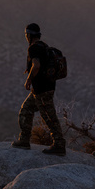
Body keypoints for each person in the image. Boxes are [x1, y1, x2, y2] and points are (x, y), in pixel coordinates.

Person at [11, 23, 66, 156]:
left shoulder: (34, 48)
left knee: (49, 116)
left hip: (42, 89)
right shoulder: (44, 46)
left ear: (29, 35)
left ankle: (59, 145)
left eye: (26, 34)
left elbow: (36, 65)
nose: (25, 37)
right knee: (26, 109)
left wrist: (29, 79)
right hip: (44, 88)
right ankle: (24, 140)